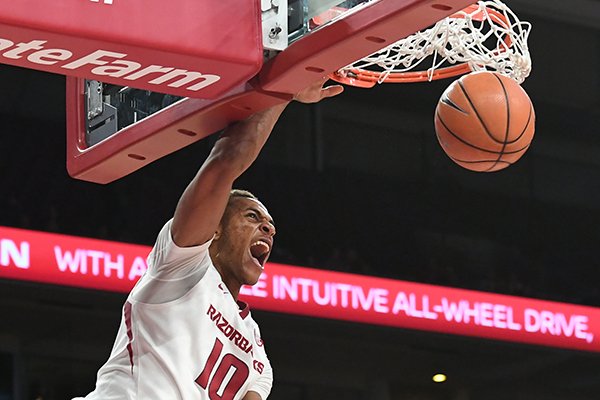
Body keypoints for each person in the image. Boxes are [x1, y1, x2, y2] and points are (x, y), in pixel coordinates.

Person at [74, 78, 343, 400]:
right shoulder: (183, 266)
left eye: (271, 225)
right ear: (215, 227)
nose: (269, 230)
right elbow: (223, 164)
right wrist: (283, 87)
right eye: (253, 217)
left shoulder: (258, 359)